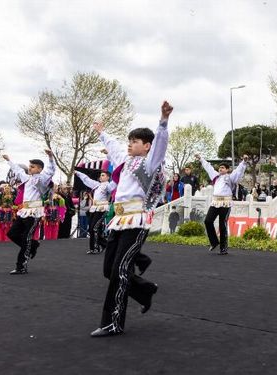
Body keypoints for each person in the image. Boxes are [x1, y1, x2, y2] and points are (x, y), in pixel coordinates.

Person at [89, 100, 172, 337]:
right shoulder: (125, 162)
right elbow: (114, 146)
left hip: (137, 221)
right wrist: (101, 132)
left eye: (135, 141)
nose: (130, 144)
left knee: (120, 270)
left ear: (146, 146)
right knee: (109, 270)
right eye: (130, 140)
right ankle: (145, 289)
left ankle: (112, 323)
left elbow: (161, 145)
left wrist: (163, 121)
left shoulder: (150, 163)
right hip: (120, 219)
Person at [3, 149, 56, 274]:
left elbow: (51, 170)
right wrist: (9, 160)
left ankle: (21, 266)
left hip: (34, 213)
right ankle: (33, 245)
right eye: (30, 166)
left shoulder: (43, 179)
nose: (30, 168)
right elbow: (18, 170)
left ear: (39, 169)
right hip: (24, 211)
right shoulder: (26, 178)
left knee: (26, 237)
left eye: (32, 167)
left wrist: (51, 157)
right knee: (12, 234)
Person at [197, 154, 248, 255]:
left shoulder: (230, 178)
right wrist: (201, 159)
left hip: (226, 203)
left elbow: (238, 171)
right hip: (215, 202)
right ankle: (214, 242)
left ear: (227, 169)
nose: (220, 169)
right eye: (220, 167)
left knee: (222, 225)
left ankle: (223, 248)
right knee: (208, 221)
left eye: (223, 167)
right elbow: (208, 167)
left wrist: (244, 162)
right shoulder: (215, 177)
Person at [75, 170, 116, 254]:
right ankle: (96, 247)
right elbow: (87, 179)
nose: (101, 177)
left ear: (108, 177)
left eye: (103, 175)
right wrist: (78, 173)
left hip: (102, 209)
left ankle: (100, 246)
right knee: (91, 228)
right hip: (94, 208)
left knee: (94, 228)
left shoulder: (108, 185)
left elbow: (115, 182)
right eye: (101, 175)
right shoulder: (97, 185)